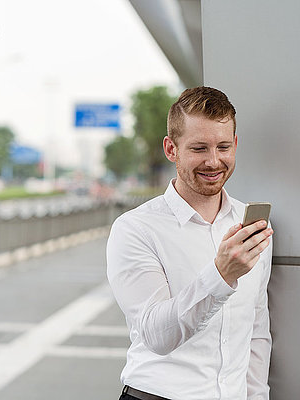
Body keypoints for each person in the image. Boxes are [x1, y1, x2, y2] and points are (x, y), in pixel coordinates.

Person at [107, 86, 274, 400]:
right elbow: (157, 335)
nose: (214, 161)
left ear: (235, 144)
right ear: (171, 149)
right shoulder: (135, 229)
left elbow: (256, 328)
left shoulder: (248, 222)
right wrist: (221, 275)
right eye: (199, 148)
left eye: (223, 147)